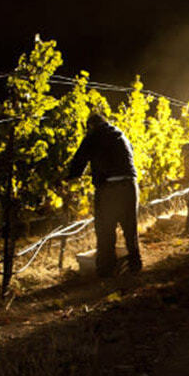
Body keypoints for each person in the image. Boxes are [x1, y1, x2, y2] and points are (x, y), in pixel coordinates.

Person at [66, 112, 142, 277]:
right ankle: (135, 265)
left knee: (105, 229)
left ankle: (106, 270)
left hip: (109, 188)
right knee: (130, 228)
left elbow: (80, 160)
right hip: (130, 185)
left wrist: (68, 178)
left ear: (90, 126)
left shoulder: (94, 135)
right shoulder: (121, 135)